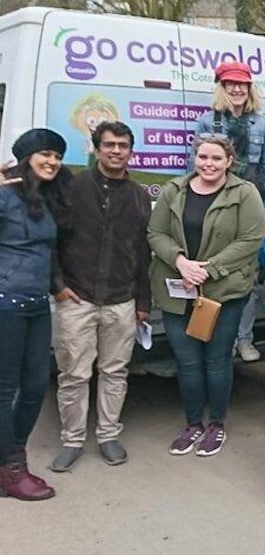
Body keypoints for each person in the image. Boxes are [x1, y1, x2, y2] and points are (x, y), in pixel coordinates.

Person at [148, 135, 265, 457]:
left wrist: (208, 269)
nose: (208, 164)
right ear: (194, 158)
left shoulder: (244, 193)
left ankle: (216, 424)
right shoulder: (174, 190)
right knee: (187, 363)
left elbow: (251, 239)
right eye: (203, 157)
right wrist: (180, 261)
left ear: (229, 161)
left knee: (216, 361)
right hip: (176, 290)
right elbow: (155, 233)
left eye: (216, 158)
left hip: (222, 293)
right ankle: (192, 424)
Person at [49, 121, 151, 473]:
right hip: (76, 298)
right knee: (74, 375)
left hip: (121, 300)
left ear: (130, 151)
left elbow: (142, 252)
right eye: (109, 144)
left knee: (115, 372)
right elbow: (53, 242)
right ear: (95, 148)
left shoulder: (139, 197)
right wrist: (58, 286)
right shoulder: (73, 189)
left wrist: (142, 303)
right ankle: (72, 440)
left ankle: (108, 434)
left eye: (123, 145)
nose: (116, 151)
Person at [0, 128, 71, 500]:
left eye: (57, 156)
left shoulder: (44, 198)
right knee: (4, 389)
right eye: (45, 154)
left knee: (35, 387)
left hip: (36, 303)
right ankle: (12, 468)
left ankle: (11, 457)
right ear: (26, 157)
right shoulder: (5, 196)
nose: (53, 161)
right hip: (5, 303)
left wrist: (58, 286)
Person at [194, 61, 265, 364]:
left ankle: (244, 338)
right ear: (221, 87)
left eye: (242, 84)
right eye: (231, 83)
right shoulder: (207, 123)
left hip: (251, 208)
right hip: (217, 209)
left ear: (250, 88)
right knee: (216, 277)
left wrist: (263, 207)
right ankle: (221, 340)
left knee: (248, 279)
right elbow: (200, 167)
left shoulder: (262, 124)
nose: (237, 88)